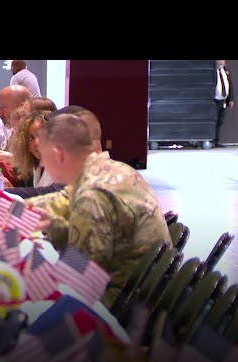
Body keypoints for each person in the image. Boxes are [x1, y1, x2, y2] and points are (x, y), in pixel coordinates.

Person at [29, 113, 172, 307]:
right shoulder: (115, 169)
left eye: (43, 158)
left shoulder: (91, 195)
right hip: (141, 291)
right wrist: (51, 224)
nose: (43, 164)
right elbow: (63, 199)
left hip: (119, 302)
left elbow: (81, 277)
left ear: (58, 154)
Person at [215, 60, 235, 147]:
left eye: (222, 60)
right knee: (213, 121)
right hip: (214, 101)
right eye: (218, 60)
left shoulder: (226, 71)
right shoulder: (212, 72)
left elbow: (230, 85)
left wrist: (231, 99)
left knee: (220, 120)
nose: (220, 62)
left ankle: (217, 140)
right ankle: (210, 139)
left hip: (223, 100)